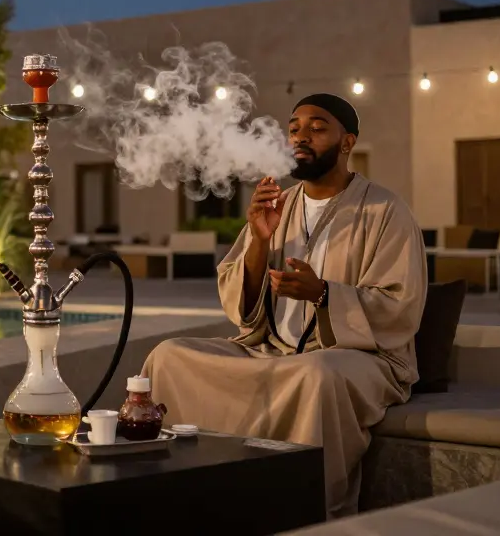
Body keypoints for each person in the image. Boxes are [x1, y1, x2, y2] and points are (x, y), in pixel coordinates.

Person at [140, 93, 427, 519]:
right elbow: (241, 303)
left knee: (317, 375)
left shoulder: (385, 209)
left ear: (347, 143)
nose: (300, 136)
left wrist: (324, 293)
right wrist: (258, 239)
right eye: (294, 128)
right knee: (168, 357)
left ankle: (301, 512)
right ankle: (175, 496)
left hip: (356, 358)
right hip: (270, 349)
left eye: (316, 127)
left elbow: (400, 306)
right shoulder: (280, 203)